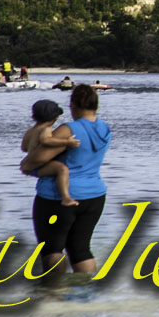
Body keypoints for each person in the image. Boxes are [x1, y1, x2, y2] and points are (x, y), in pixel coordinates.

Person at [32, 84, 112, 274]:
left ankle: (54, 294)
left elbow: (36, 159)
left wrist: (33, 169)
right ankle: (86, 295)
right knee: (80, 249)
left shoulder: (69, 129)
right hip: (94, 196)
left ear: (73, 104)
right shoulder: (104, 128)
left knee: (52, 248)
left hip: (58, 197)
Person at [20, 99, 81, 206]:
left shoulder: (30, 130)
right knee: (62, 169)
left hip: (30, 166)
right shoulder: (46, 129)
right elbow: (46, 140)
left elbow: (24, 148)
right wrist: (67, 142)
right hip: (39, 166)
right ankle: (66, 198)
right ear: (56, 117)